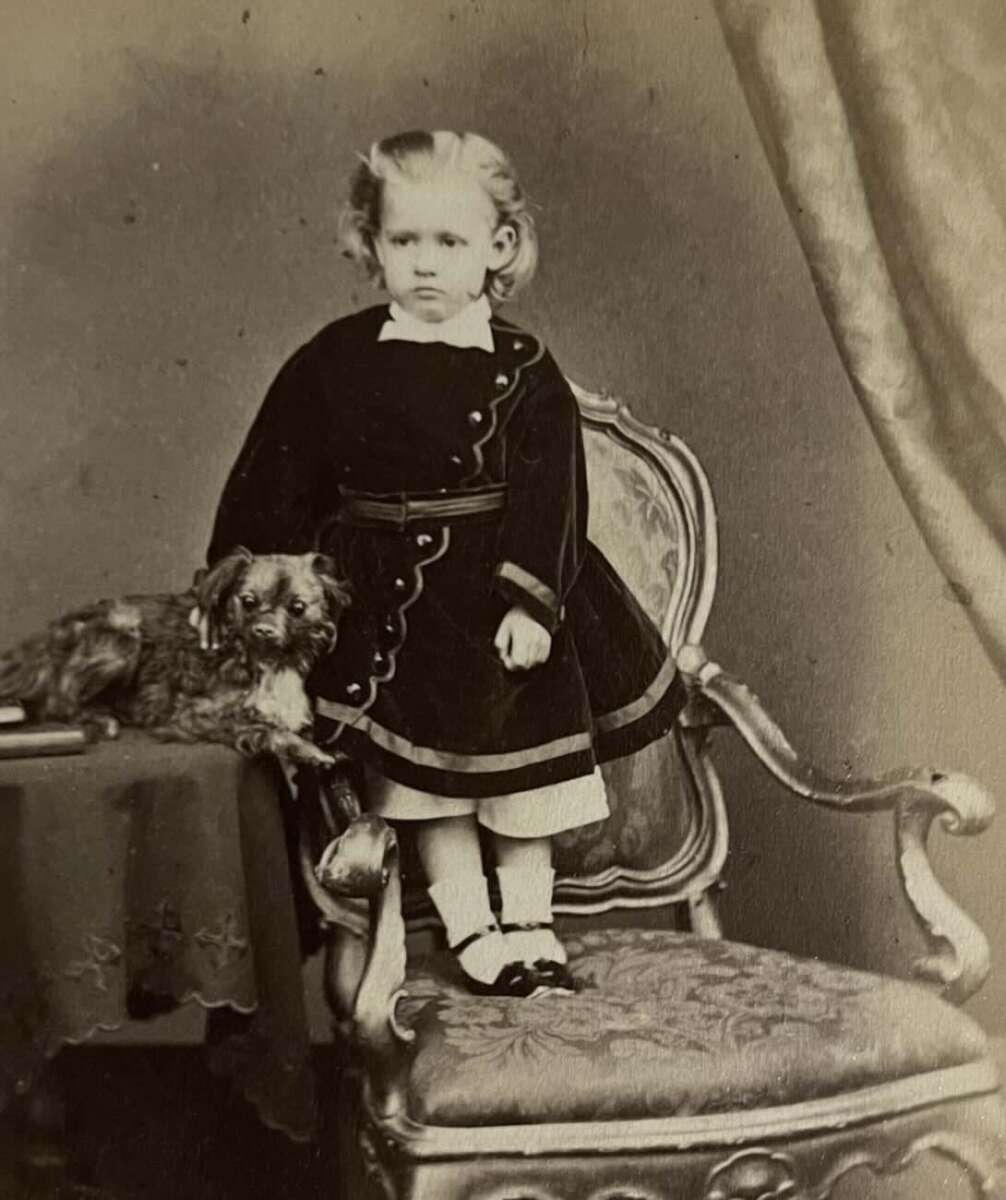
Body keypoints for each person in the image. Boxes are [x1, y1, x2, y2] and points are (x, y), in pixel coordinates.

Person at [207, 129, 685, 997]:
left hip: (497, 601)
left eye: (450, 242)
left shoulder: (525, 369)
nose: (425, 264)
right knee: (426, 788)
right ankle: (472, 927)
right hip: (389, 608)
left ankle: (533, 924)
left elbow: (553, 501)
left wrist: (532, 605)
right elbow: (273, 483)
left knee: (523, 780)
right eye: (404, 241)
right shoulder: (334, 361)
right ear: (372, 245)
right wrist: (256, 602)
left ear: (498, 249)